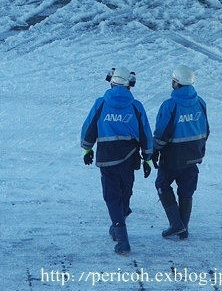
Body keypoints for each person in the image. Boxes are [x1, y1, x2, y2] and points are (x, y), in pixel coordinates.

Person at [80, 67, 153, 255]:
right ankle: (118, 225)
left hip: (107, 158)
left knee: (112, 197)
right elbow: (145, 133)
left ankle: (122, 241)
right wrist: (147, 158)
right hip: (129, 159)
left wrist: (87, 148)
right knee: (125, 193)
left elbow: (89, 129)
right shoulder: (136, 106)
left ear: (112, 82)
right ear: (129, 85)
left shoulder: (101, 104)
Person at [152, 64, 209, 240]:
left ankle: (176, 223)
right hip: (194, 156)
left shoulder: (170, 105)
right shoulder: (200, 102)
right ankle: (184, 229)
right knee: (186, 190)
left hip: (173, 157)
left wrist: (154, 151)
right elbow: (206, 129)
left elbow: (162, 133)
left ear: (176, 82)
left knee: (162, 185)